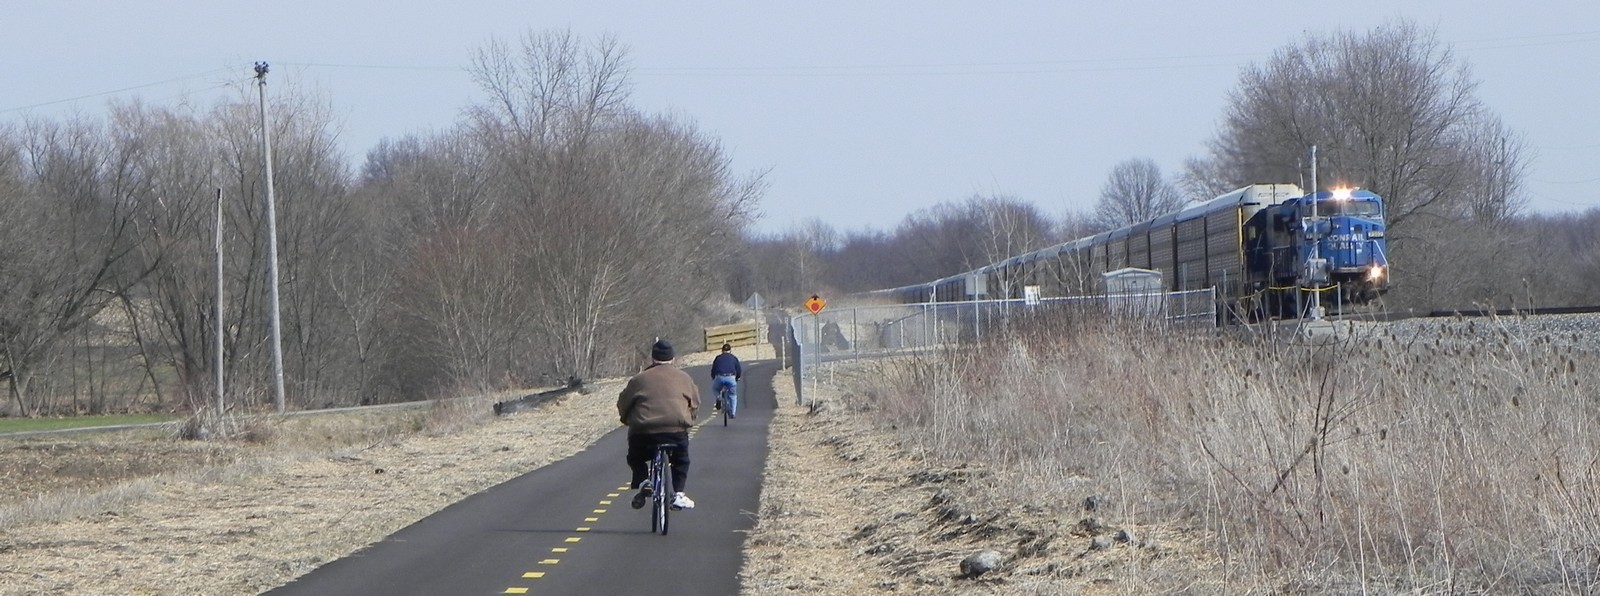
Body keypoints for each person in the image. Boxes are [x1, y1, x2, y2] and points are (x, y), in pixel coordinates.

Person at [617, 339, 700, 511]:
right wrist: (690, 419)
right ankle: (678, 493)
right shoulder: (684, 378)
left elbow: (624, 403)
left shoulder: (638, 380)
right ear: (673, 359)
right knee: (681, 460)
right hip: (675, 430)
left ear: (652, 359)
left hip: (644, 431)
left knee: (635, 457)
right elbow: (695, 403)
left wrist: (626, 420)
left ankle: (643, 480)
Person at [709, 343, 743, 418]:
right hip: (731, 377)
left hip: (720, 377)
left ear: (722, 351)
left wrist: (713, 376)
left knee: (715, 389)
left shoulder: (718, 358)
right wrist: (738, 377)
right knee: (732, 395)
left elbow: (714, 369)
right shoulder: (734, 358)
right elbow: (738, 370)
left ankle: (718, 398)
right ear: (730, 351)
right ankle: (733, 413)